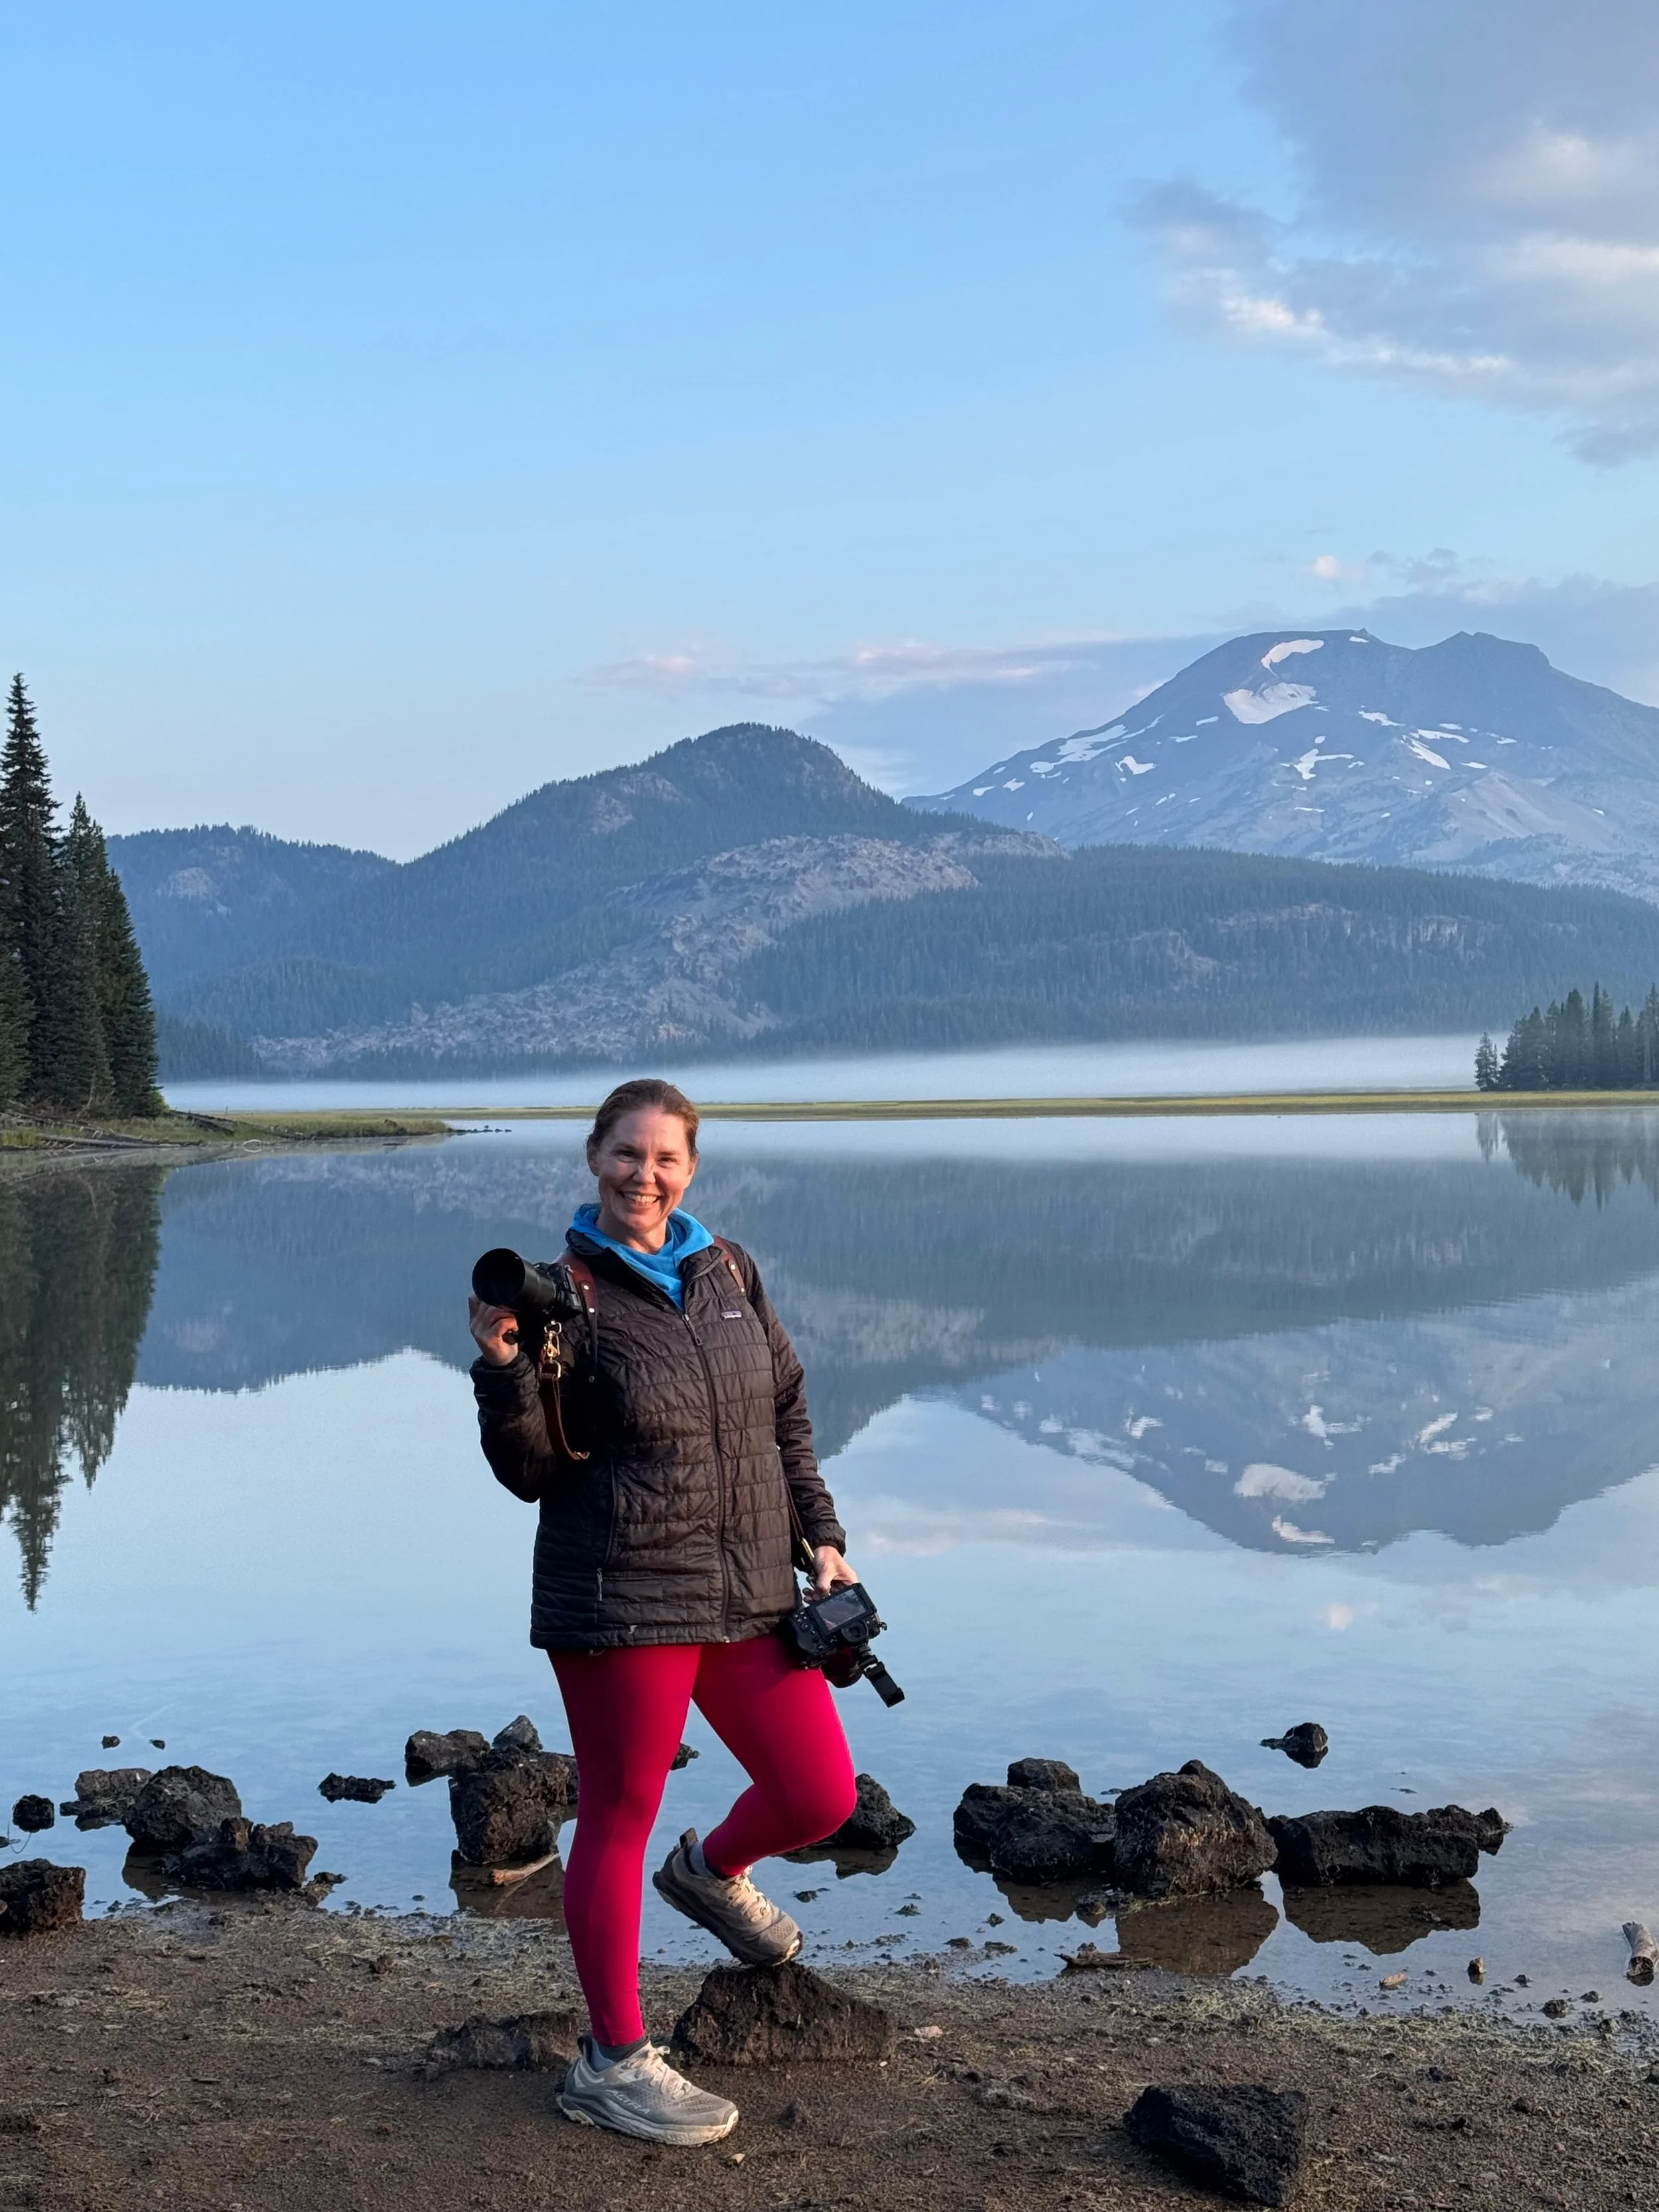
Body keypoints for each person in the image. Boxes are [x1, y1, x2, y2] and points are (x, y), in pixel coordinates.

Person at [468, 1077, 861, 2146]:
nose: (645, 1175)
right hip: (622, 1595)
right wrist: (504, 1370)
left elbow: (784, 1411)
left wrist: (820, 1538)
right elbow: (533, 1469)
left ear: (691, 1168)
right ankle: (611, 2060)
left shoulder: (725, 1268)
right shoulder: (565, 1300)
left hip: (746, 1593)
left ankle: (711, 1871)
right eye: (626, 1155)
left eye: (666, 1159)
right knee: (616, 1811)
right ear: (593, 1158)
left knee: (820, 1793)